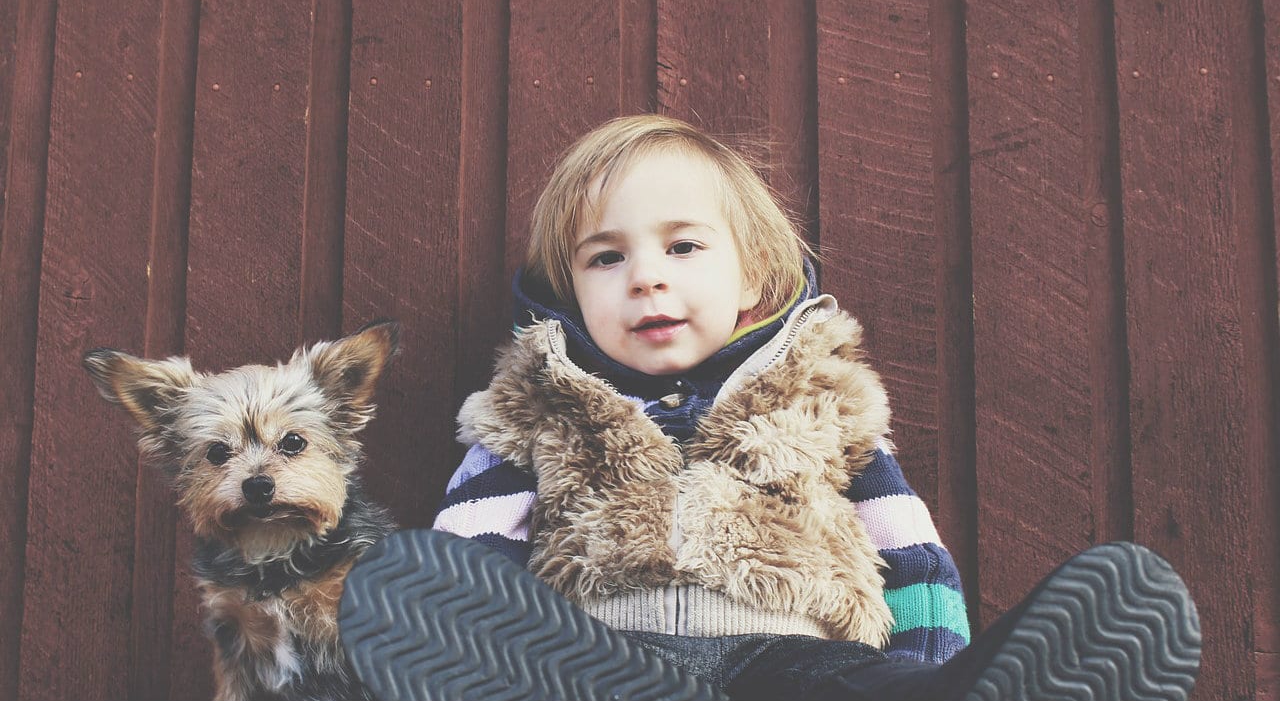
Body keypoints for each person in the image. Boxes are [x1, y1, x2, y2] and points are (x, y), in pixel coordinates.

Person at [336, 115, 1201, 701]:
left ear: (751, 274)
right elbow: (465, 571)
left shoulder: (822, 402)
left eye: (683, 246)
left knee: (847, 684)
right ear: (567, 293)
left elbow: (912, 558)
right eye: (606, 258)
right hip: (603, 656)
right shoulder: (535, 410)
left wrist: (924, 665)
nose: (646, 276)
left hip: (789, 655)